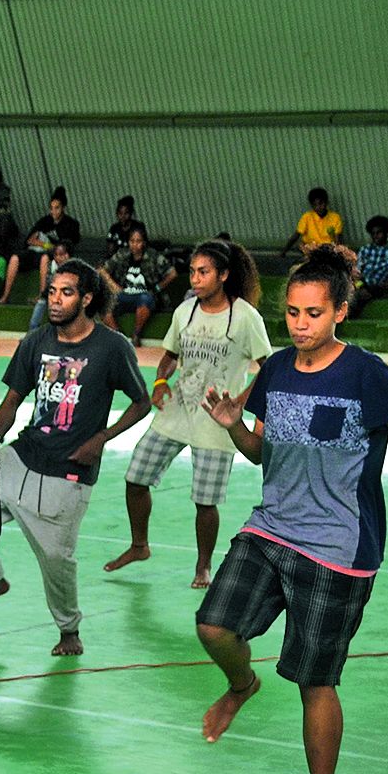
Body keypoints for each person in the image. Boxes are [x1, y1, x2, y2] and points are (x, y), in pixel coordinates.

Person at [197, 245, 388, 774]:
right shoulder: (277, 369)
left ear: (339, 312)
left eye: (313, 313)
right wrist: (234, 426)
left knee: (315, 681)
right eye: (292, 313)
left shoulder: (365, 372)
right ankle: (241, 684)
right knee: (213, 626)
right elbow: (261, 453)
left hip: (338, 545)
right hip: (271, 527)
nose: (301, 324)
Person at [0, 260, 150, 655]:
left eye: (66, 293)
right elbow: (11, 401)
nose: (56, 300)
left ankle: (69, 630)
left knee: (55, 559)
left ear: (87, 298)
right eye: (52, 292)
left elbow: (141, 402)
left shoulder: (111, 347)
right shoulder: (35, 341)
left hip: (69, 469)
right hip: (23, 455)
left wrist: (102, 438)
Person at [104, 240, 272, 588]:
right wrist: (160, 381)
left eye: (203, 272)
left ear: (223, 275)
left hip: (217, 418)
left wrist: (241, 401)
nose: (195, 279)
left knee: (205, 502)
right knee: (136, 477)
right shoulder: (185, 312)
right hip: (177, 410)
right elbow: (170, 355)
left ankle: (203, 565)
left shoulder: (245, 317)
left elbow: (268, 367)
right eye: (193, 272)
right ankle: (139, 545)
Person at [100, 223, 177, 342]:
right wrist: (114, 286)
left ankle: (136, 335)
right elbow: (102, 270)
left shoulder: (153, 256)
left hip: (145, 295)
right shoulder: (122, 254)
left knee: (146, 299)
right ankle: (120, 336)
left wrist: (157, 288)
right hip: (124, 294)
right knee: (103, 305)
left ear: (144, 242)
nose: (135, 244)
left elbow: (172, 273)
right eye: (132, 241)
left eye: (138, 241)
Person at [351, 215, 388, 316]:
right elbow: (357, 272)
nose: (375, 236)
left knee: (354, 299)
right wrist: (361, 286)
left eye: (379, 233)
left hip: (378, 287)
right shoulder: (365, 250)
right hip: (362, 284)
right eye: (373, 233)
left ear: (387, 233)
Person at [278, 186, 343, 259]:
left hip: (328, 249)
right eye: (315, 205)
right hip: (311, 248)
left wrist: (337, 252)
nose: (318, 207)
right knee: (303, 246)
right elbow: (296, 236)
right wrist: (284, 251)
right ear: (311, 206)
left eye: (321, 203)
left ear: (327, 202)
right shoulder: (307, 217)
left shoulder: (335, 217)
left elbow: (338, 240)